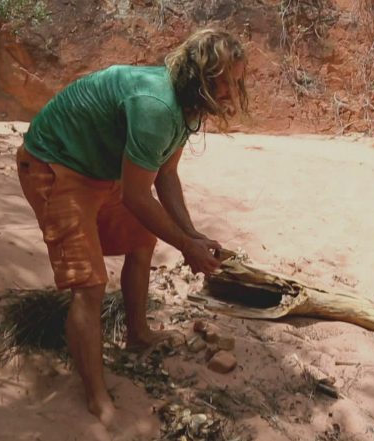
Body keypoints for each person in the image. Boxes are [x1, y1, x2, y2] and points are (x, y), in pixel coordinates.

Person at [15, 26, 248, 424]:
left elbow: (166, 176)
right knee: (89, 285)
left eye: (238, 81)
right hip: (55, 164)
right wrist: (185, 246)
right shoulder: (156, 105)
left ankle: (137, 335)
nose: (232, 91)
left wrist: (191, 236)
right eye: (225, 81)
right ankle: (96, 396)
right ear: (201, 78)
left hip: (103, 169)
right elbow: (137, 197)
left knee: (143, 242)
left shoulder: (186, 107)